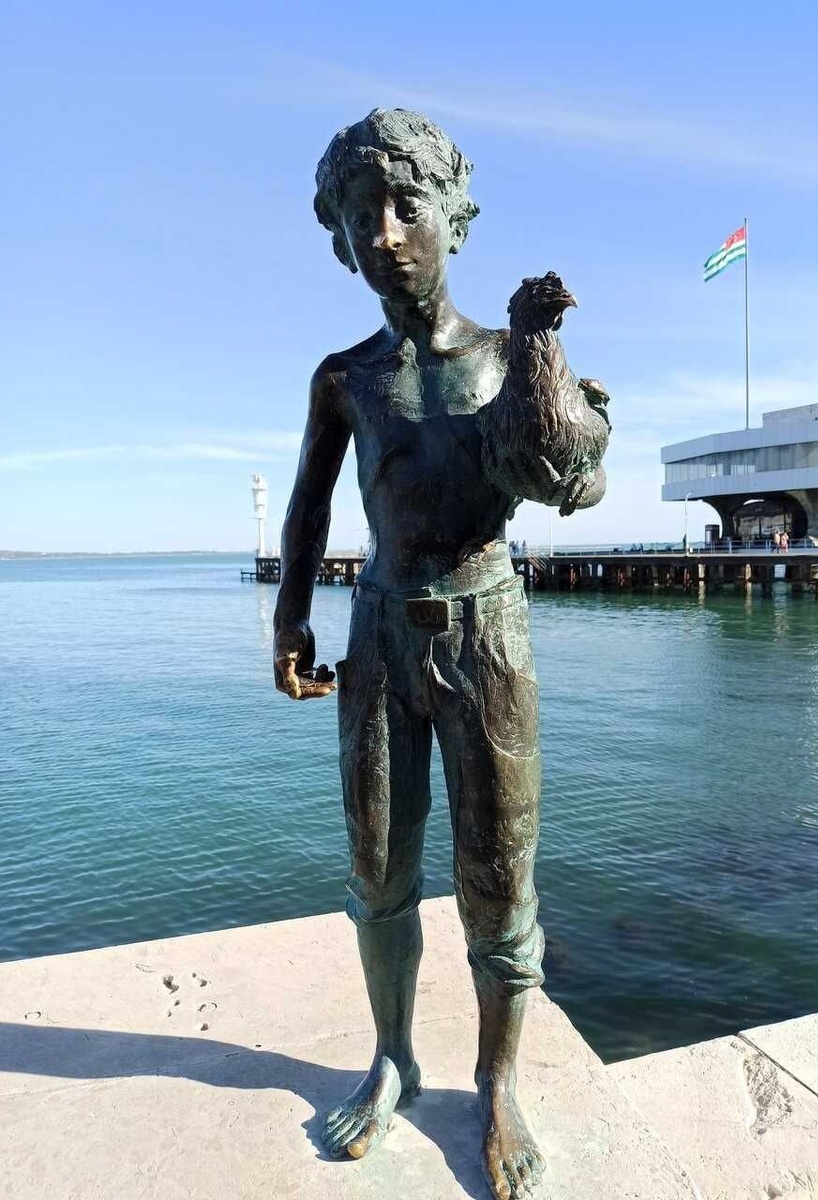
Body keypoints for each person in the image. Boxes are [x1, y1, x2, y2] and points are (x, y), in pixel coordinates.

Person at [272, 109, 607, 1200]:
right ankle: (392, 1059)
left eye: (405, 206)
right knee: (378, 872)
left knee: (497, 879)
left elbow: (573, 477)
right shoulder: (345, 377)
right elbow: (310, 510)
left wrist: (553, 390)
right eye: (358, 215)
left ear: (452, 219)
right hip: (376, 638)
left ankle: (497, 1084)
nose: (384, 232)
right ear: (338, 239)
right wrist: (289, 622)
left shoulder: (507, 360)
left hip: (485, 636)